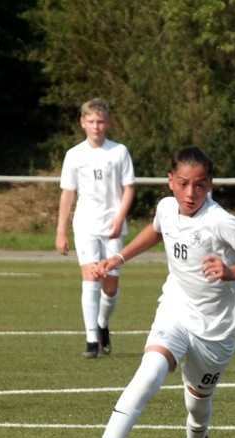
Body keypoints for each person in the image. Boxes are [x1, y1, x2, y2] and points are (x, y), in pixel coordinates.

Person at [85, 146, 235, 438]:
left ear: (210, 185)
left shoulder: (219, 220)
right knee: (149, 373)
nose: (191, 193)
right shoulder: (165, 207)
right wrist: (119, 257)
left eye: (200, 185)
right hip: (176, 308)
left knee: (197, 403)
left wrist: (231, 271)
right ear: (170, 181)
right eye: (184, 183)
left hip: (215, 327)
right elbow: (157, 230)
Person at [55, 97, 136, 358]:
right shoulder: (74, 155)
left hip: (112, 226)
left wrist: (119, 218)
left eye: (100, 121)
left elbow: (128, 189)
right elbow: (68, 194)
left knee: (109, 287)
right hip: (85, 226)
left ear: (108, 123)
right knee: (90, 279)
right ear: (82, 123)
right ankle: (91, 340)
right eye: (91, 121)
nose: (96, 126)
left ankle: (102, 324)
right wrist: (61, 231)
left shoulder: (119, 152)